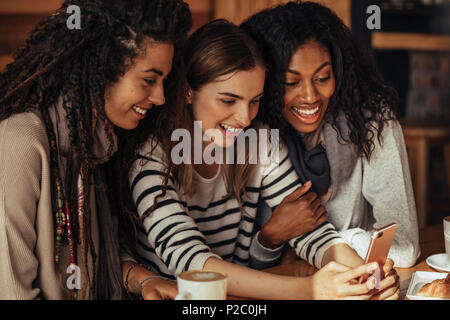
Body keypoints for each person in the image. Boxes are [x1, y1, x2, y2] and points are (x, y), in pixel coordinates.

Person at [122, 19, 400, 300]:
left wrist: (363, 275)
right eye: (228, 101)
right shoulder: (152, 159)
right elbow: (193, 264)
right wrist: (311, 289)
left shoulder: (261, 140)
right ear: (187, 91)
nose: (245, 118)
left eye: (254, 100)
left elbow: (311, 233)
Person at [0, 0, 191, 300]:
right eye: (149, 80)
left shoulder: (99, 142)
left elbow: (101, 255)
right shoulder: (20, 140)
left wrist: (145, 281)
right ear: (102, 68)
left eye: (163, 81)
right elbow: (12, 292)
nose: (160, 97)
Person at [241, 1, 420, 270]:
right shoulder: (251, 132)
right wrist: (270, 237)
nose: (311, 96)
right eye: (291, 83)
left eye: (323, 77)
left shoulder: (369, 121)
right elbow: (241, 263)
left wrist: (336, 242)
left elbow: (403, 248)